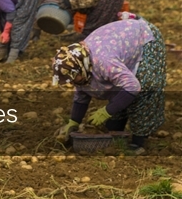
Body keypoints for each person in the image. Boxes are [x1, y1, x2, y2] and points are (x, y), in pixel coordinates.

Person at [51, 18, 166, 150]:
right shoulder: (81, 62)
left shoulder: (104, 62)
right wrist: (74, 121)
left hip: (145, 39)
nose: (71, 82)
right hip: (119, 43)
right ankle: (117, 125)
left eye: (72, 78)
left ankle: (138, 141)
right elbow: (82, 93)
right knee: (118, 89)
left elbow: (133, 87)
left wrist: (107, 111)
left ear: (81, 67)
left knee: (144, 86)